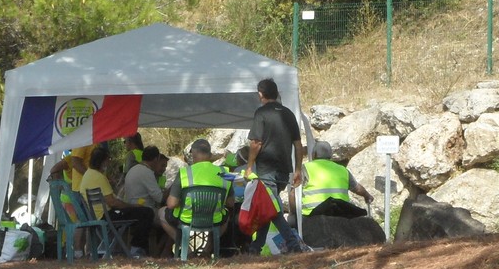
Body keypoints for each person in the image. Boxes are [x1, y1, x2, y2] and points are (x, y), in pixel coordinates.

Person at [245, 78, 305, 254]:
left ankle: (294, 244)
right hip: (283, 169)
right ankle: (255, 248)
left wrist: (249, 166)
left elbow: (256, 142)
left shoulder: (261, 113)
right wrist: (298, 169)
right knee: (268, 207)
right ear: (277, 93)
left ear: (260, 95)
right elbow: (298, 144)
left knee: (272, 209)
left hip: (266, 170)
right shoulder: (288, 114)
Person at [158, 139, 235, 255]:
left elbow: (172, 204)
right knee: (226, 215)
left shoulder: (185, 173)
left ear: (193, 154)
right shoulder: (225, 172)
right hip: (214, 219)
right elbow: (230, 203)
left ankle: (187, 250)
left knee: (161, 213)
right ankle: (207, 249)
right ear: (210, 155)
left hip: (187, 218)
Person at [79, 147, 154, 258]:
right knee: (146, 212)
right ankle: (137, 249)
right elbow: (113, 203)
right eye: (108, 159)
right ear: (102, 161)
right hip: (107, 216)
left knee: (138, 212)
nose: (109, 162)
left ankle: (134, 247)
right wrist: (131, 206)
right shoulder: (99, 177)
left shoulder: (87, 175)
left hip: (96, 215)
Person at [296, 141, 374, 217]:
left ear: (314, 154)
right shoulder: (343, 170)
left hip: (312, 216)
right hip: (340, 214)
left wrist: (293, 213)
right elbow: (357, 188)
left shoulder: (304, 168)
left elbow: (293, 193)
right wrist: (367, 196)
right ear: (330, 155)